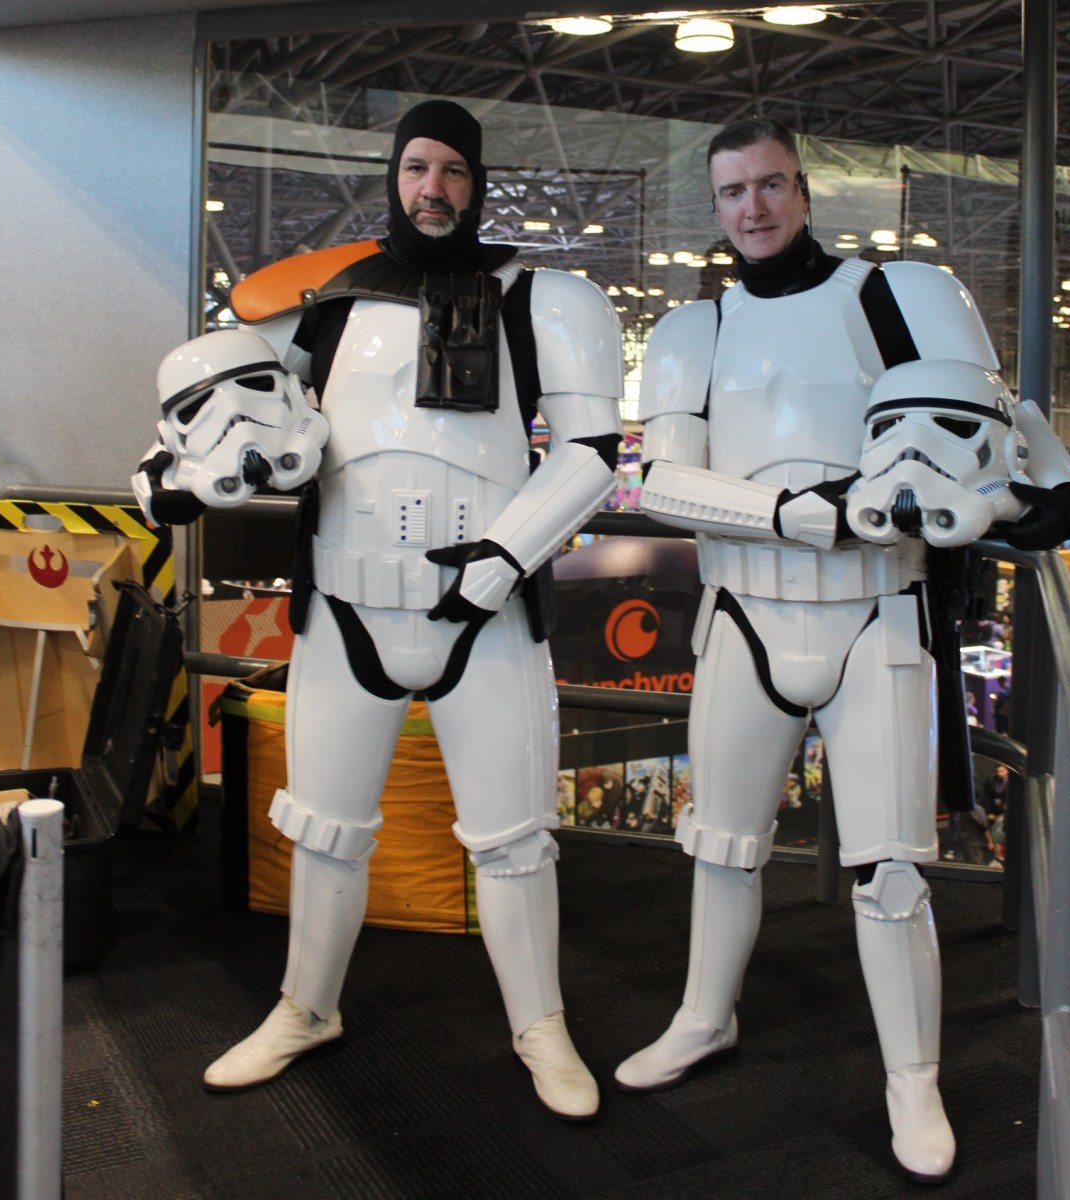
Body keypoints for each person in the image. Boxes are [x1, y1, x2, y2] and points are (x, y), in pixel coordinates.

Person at [133, 99, 624, 1120]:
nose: (431, 187)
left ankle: (541, 1025)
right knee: (323, 831)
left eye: (450, 169)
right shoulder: (323, 300)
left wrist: (502, 557)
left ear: (475, 180)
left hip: (479, 613)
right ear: (393, 177)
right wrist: (170, 478)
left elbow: (590, 456)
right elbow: (224, 410)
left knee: (514, 839)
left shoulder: (542, 300)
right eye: (415, 168)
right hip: (345, 611)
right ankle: (306, 1006)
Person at [619, 116, 1070, 1182]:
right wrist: (800, 514)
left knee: (894, 871)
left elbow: (986, 451)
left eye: (770, 185)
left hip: (880, 608)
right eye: (733, 193)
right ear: (717, 207)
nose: (754, 208)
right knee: (721, 845)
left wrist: (988, 496)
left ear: (803, 190)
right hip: (746, 611)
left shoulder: (898, 294)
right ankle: (702, 1014)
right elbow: (665, 482)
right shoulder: (697, 329)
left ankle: (913, 1077)